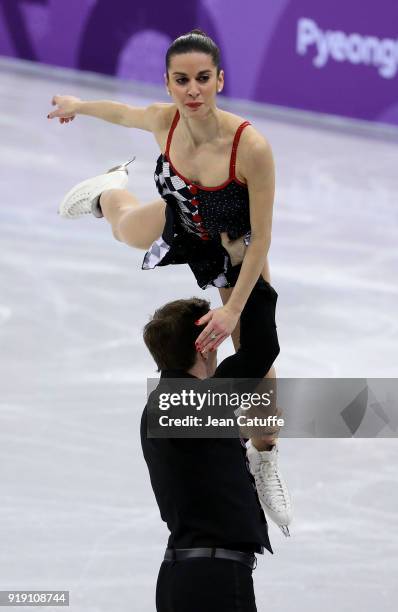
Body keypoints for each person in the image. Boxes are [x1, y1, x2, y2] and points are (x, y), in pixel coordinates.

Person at [47, 29, 291, 527]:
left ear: (220, 79)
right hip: (184, 219)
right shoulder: (166, 122)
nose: (193, 90)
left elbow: (263, 238)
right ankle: (107, 192)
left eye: (203, 78)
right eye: (182, 80)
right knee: (124, 229)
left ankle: (264, 457)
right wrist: (77, 103)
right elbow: (122, 113)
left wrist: (232, 308)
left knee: (260, 376)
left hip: (236, 252)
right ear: (168, 83)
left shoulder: (252, 147)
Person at [141, 272, 290, 612]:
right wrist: (247, 273)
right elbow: (262, 349)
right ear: (203, 344)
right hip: (213, 580)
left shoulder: (169, 404)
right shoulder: (191, 401)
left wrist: (244, 433)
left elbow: (202, 456)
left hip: (190, 577)